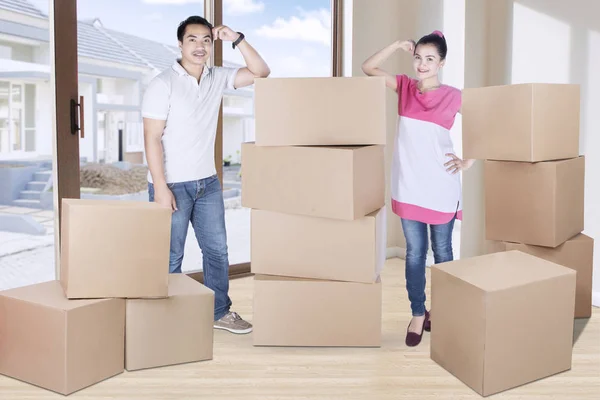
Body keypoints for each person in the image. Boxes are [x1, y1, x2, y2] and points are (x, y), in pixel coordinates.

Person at [142, 16, 270, 335]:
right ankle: (165, 318)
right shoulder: (162, 84)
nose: (199, 46)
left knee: (217, 251)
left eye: (206, 40)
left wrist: (236, 38)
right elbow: (151, 138)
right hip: (171, 184)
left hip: (208, 183)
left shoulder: (217, 77)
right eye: (192, 40)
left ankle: (219, 311)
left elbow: (261, 72)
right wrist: (160, 187)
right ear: (180, 44)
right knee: (171, 255)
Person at [361, 30, 474, 347]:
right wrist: (396, 44)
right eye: (418, 58)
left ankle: (443, 310)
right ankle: (417, 313)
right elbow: (368, 68)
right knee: (414, 255)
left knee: (443, 253)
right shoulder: (405, 87)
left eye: (430, 59)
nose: (422, 65)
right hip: (408, 184)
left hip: (441, 186)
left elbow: (487, 121)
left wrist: (470, 160)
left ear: (441, 62)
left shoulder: (454, 95)